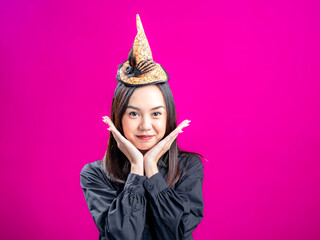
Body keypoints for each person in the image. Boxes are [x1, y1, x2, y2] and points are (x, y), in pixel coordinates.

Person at [80, 14, 204, 240]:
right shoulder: (94, 174)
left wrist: (152, 169)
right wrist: (137, 169)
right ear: (119, 118)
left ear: (169, 117)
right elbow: (121, 236)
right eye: (134, 113)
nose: (146, 126)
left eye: (156, 113)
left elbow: (176, 235)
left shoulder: (188, 167)